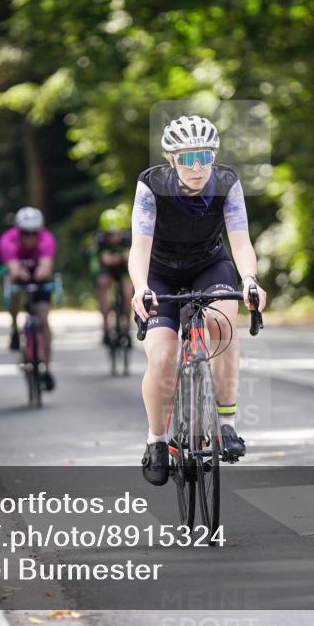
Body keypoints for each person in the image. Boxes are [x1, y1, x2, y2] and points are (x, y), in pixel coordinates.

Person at [129, 115, 267, 486]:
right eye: (187, 158)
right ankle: (157, 440)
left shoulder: (226, 182)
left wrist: (251, 279)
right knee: (161, 357)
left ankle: (225, 424)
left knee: (221, 327)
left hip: (210, 265)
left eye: (204, 156)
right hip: (160, 272)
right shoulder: (152, 184)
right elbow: (139, 247)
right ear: (171, 159)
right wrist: (140, 286)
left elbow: (240, 240)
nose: (197, 166)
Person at [0, 206, 57, 391]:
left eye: (34, 233)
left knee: (43, 319)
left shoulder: (46, 239)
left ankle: (46, 368)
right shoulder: (8, 240)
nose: (30, 237)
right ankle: (14, 326)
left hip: (38, 275)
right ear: (18, 231)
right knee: (13, 286)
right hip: (16, 272)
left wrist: (40, 273)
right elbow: (14, 268)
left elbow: (46, 266)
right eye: (25, 233)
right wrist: (20, 274)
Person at [91, 207, 133, 345]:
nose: (113, 237)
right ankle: (105, 326)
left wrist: (118, 257)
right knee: (103, 285)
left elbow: (130, 256)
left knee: (128, 293)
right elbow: (105, 259)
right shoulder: (100, 239)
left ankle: (127, 326)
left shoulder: (128, 237)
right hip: (107, 270)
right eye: (109, 234)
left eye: (115, 233)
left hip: (124, 270)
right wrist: (120, 257)